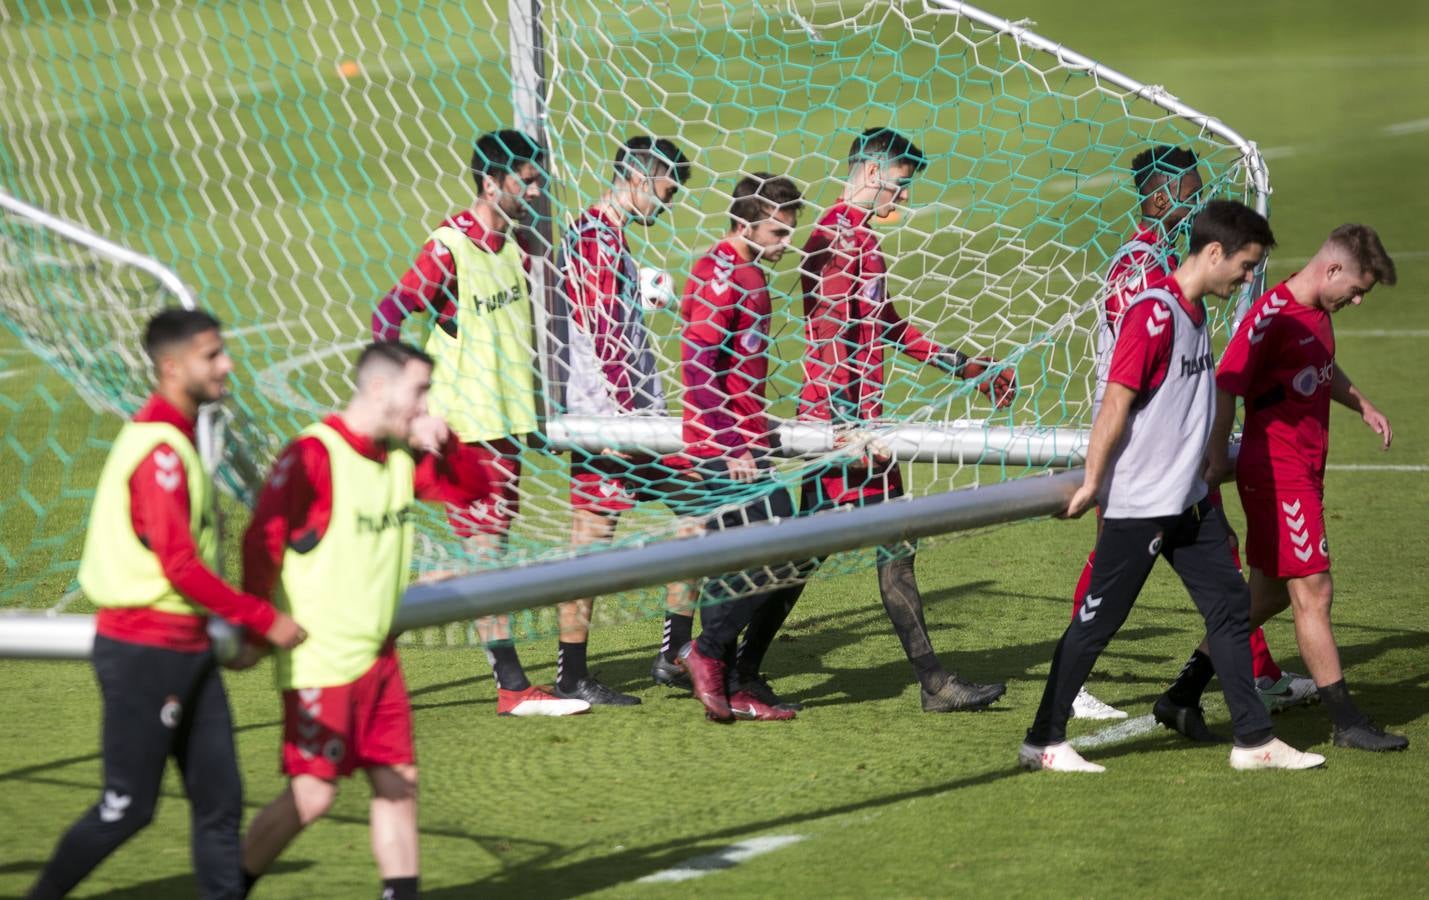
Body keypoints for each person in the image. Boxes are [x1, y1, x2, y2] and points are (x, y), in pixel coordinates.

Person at [1020, 200, 1324, 773]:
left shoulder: (1195, 312)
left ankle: (1254, 741)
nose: (1246, 278)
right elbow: (1116, 400)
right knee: (1096, 624)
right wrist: (1092, 481)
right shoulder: (1153, 315)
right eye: (1244, 265)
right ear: (1214, 253)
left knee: (1231, 607)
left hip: (1187, 502)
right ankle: (1043, 740)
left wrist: (1208, 461)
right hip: (1140, 506)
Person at [27, 309, 306, 900]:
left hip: (188, 649)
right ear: (173, 367)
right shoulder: (160, 451)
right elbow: (177, 564)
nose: (226, 363)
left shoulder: (174, 438)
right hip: (145, 653)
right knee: (127, 807)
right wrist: (262, 618)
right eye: (212, 354)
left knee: (221, 804)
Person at [238, 341, 497, 898]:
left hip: (379, 660)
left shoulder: (401, 454)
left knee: (398, 784)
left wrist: (446, 441)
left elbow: (477, 490)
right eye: (421, 391)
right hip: (321, 660)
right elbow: (261, 541)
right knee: (313, 796)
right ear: (380, 388)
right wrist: (259, 622)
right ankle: (225, 888)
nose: (426, 403)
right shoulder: (312, 455)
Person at [1071, 145, 1311, 722]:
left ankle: (1262, 673)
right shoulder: (1138, 267)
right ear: (1158, 196)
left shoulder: (1162, 258)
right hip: (1141, 439)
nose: (1200, 198)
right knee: (1115, 560)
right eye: (1190, 189)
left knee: (1220, 558)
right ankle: (1070, 687)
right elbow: (1130, 372)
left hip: (1174, 437)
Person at [790, 126, 1013, 713]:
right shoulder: (832, 241)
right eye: (902, 184)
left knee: (840, 553)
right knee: (802, 557)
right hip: (840, 432)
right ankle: (718, 657)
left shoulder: (863, 242)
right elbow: (830, 339)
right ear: (871, 174)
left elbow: (891, 328)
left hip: (861, 428)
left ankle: (933, 682)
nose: (905, 198)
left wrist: (967, 368)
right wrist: (847, 426)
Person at [373, 129, 587, 717]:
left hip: (504, 429)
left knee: (479, 560)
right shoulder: (448, 248)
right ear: (492, 183)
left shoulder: (517, 246)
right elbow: (387, 315)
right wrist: (408, 412)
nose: (538, 190)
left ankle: (367, 625)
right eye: (528, 180)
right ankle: (513, 687)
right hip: (462, 433)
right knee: (487, 559)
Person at [1197, 224, 1406, 752]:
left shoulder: (1314, 313)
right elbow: (1228, 380)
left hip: (1301, 474)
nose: (1356, 301)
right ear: (1332, 269)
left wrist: (1363, 404)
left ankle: (1182, 691)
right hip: (1279, 475)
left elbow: (1321, 368)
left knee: (1264, 597)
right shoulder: (1273, 314)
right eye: (1356, 290)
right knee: (1314, 591)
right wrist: (1218, 452)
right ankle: (1346, 720)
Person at [555, 135, 699, 704]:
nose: (668, 201)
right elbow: (599, 330)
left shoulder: (602, 236)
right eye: (668, 188)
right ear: (642, 178)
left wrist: (638, 293)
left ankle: (674, 653)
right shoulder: (596, 237)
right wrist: (624, 421)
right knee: (591, 546)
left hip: (624, 418)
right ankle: (577, 674)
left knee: (700, 505)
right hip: (611, 424)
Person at [671, 173, 808, 722]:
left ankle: (736, 676)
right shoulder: (723, 274)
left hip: (748, 442)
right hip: (724, 449)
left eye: (790, 230)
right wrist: (732, 441)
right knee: (773, 554)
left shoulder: (750, 273)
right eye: (777, 230)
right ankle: (706, 654)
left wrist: (756, 421)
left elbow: (730, 371)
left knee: (786, 558)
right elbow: (697, 368)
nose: (785, 242)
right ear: (745, 223)